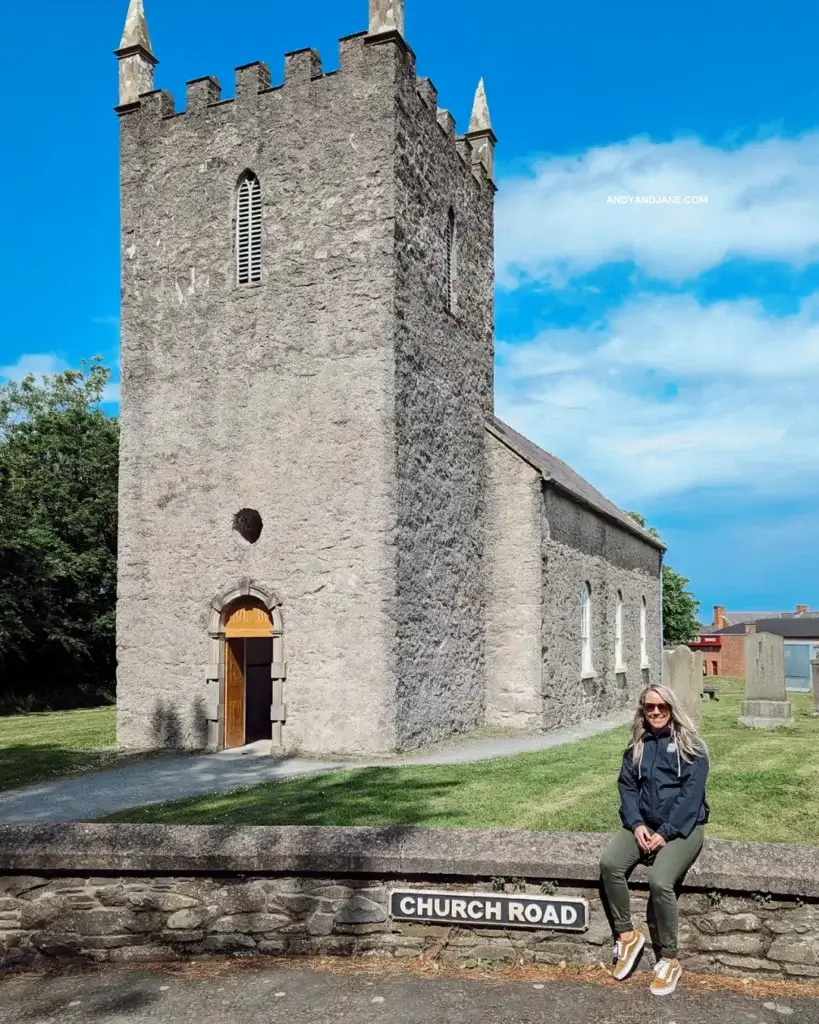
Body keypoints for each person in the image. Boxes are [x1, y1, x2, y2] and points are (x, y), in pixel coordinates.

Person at [599, 683, 709, 997]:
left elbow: (690, 797)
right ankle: (627, 936)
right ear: (643, 711)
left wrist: (665, 833)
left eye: (662, 707)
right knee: (610, 865)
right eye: (650, 707)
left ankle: (670, 959)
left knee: (660, 881)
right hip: (643, 825)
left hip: (684, 827)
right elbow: (627, 788)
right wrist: (635, 825)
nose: (656, 712)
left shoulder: (692, 748)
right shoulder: (638, 745)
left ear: (672, 709)